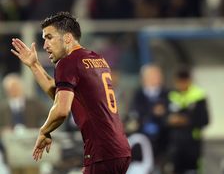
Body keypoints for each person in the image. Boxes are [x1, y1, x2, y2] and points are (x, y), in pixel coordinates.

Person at [10, 11, 131, 174]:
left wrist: (44, 131)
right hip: (119, 149)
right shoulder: (97, 59)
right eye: (44, 39)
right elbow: (63, 97)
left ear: (67, 38)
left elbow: (61, 109)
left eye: (49, 37)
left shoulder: (67, 62)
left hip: (101, 152)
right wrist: (34, 66)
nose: (45, 45)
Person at [0, 73, 48, 174]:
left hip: (31, 146)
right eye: (10, 88)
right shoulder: (3, 108)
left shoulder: (34, 103)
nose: (13, 90)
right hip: (12, 149)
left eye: (15, 87)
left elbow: (49, 116)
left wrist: (41, 130)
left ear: (21, 87)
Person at [127, 64, 170, 173]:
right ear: (144, 78)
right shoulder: (137, 95)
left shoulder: (168, 94)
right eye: (153, 75)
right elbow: (134, 114)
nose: (157, 78)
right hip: (143, 144)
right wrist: (153, 112)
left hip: (163, 142)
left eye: (158, 75)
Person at [166, 66, 209, 174]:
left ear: (189, 81)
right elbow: (165, 116)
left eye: (183, 81)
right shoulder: (171, 94)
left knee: (192, 170)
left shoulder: (198, 95)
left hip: (192, 144)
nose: (181, 85)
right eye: (178, 82)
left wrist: (186, 120)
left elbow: (205, 119)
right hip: (174, 144)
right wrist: (169, 120)